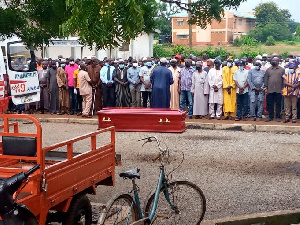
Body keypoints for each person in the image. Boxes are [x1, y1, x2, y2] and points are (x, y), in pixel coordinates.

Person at [265, 57, 285, 122]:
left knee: (278, 103)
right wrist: (266, 88)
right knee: (270, 103)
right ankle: (270, 116)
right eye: (272, 60)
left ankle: (278, 117)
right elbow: (266, 79)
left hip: (279, 89)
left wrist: (283, 88)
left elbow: (284, 80)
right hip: (270, 89)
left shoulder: (282, 70)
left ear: (278, 61)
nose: (273, 61)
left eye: (275, 60)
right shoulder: (268, 70)